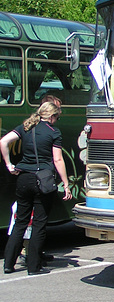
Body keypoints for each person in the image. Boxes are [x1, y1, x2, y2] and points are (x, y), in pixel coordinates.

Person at [1, 101, 72, 275]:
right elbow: (57, 160)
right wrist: (66, 183)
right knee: (39, 224)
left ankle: (8, 264)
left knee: (20, 222)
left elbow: (3, 141)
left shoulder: (25, 127)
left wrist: (9, 164)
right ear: (52, 116)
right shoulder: (53, 132)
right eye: (57, 117)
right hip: (42, 180)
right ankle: (34, 267)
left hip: (23, 178)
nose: (57, 120)